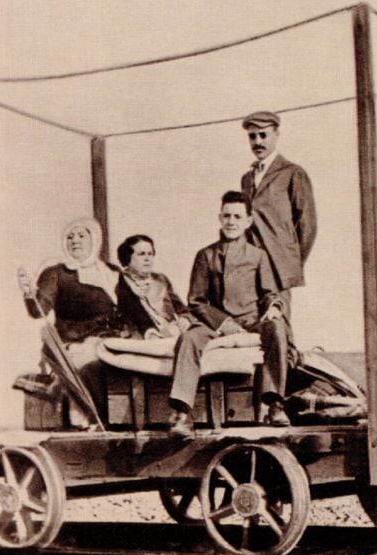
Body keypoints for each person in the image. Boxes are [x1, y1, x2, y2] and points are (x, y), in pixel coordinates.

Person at [168, 191, 293, 438]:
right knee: (188, 339)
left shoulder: (258, 256)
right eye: (226, 216)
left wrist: (275, 308)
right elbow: (196, 301)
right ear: (219, 218)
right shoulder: (205, 255)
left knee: (277, 328)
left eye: (237, 216)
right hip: (213, 322)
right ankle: (181, 413)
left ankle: (274, 404)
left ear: (248, 221)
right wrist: (223, 323)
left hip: (250, 320)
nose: (231, 221)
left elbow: (269, 293)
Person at [17, 216, 121, 427]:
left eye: (82, 236)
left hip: (115, 340)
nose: (75, 241)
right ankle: (94, 420)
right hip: (74, 343)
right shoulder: (56, 273)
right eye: (70, 237)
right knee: (92, 363)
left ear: (94, 240)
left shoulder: (111, 273)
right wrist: (30, 293)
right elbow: (39, 311)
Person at [239, 111, 316, 300]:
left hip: (277, 268)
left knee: (278, 324)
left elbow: (308, 226)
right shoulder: (247, 179)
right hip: (249, 267)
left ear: (276, 135)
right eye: (252, 136)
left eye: (263, 135)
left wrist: (288, 262)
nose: (258, 142)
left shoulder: (293, 173)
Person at [114, 234, 193, 339]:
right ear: (128, 257)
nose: (147, 258)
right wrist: (150, 332)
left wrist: (185, 318)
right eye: (141, 254)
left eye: (150, 254)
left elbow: (180, 307)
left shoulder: (161, 279)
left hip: (170, 330)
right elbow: (131, 314)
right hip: (140, 334)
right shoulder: (121, 281)